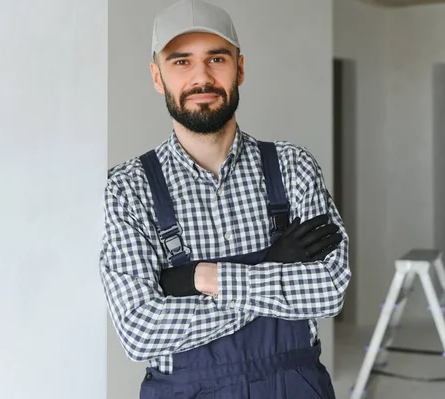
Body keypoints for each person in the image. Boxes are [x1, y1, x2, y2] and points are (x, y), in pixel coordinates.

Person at [99, 0, 351, 398]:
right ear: (157, 77)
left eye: (216, 58)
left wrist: (203, 278)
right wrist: (275, 264)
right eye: (181, 62)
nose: (202, 77)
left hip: (294, 385)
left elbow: (328, 290)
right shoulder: (128, 188)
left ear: (240, 68)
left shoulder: (293, 166)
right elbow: (141, 331)